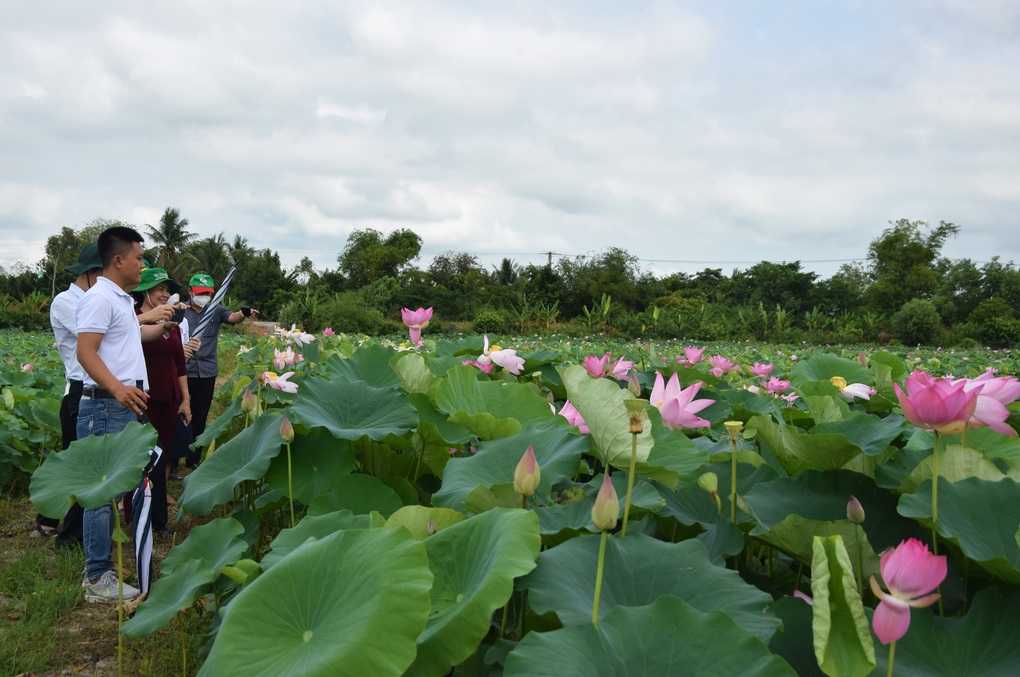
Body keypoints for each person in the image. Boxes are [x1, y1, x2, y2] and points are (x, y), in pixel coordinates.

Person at [76, 226, 172, 603]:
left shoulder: (120, 300)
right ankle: (97, 577)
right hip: (105, 405)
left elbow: (132, 337)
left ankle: (105, 569)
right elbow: (87, 352)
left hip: (122, 404)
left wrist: (162, 323)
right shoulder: (100, 298)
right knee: (100, 493)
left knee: (114, 491)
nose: (143, 264)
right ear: (118, 260)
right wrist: (118, 389)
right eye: (139, 257)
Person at [41, 243, 103, 548]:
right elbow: (93, 334)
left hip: (93, 389)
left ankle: (52, 518)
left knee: (77, 463)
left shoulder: (93, 298)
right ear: (92, 273)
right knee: (78, 465)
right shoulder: (66, 301)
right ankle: (68, 535)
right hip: (79, 389)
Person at [132, 267, 192, 540]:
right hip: (143, 398)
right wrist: (155, 322)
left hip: (169, 398)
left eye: (167, 290)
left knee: (162, 456)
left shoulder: (173, 324)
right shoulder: (132, 320)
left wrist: (185, 399)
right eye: (160, 289)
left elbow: (179, 363)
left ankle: (159, 521)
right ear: (145, 290)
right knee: (142, 459)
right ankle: (136, 516)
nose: (165, 294)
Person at [183, 273, 258, 465]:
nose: (204, 296)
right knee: (179, 416)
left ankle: (193, 459)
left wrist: (243, 314)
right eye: (200, 293)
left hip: (207, 371)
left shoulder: (214, 310)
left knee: (200, 416)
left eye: (208, 293)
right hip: (182, 372)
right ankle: (174, 460)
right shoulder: (180, 310)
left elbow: (232, 318)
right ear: (190, 291)